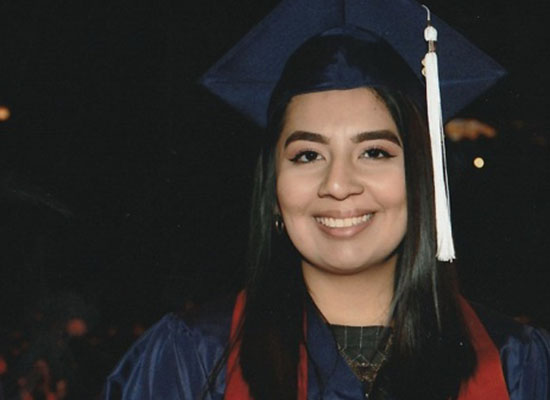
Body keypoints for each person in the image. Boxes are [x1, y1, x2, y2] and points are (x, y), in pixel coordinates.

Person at [102, 1, 550, 399]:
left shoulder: (516, 365)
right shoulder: (192, 361)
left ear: (424, 177)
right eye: (308, 155)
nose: (338, 184)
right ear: (274, 191)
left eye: (374, 152)